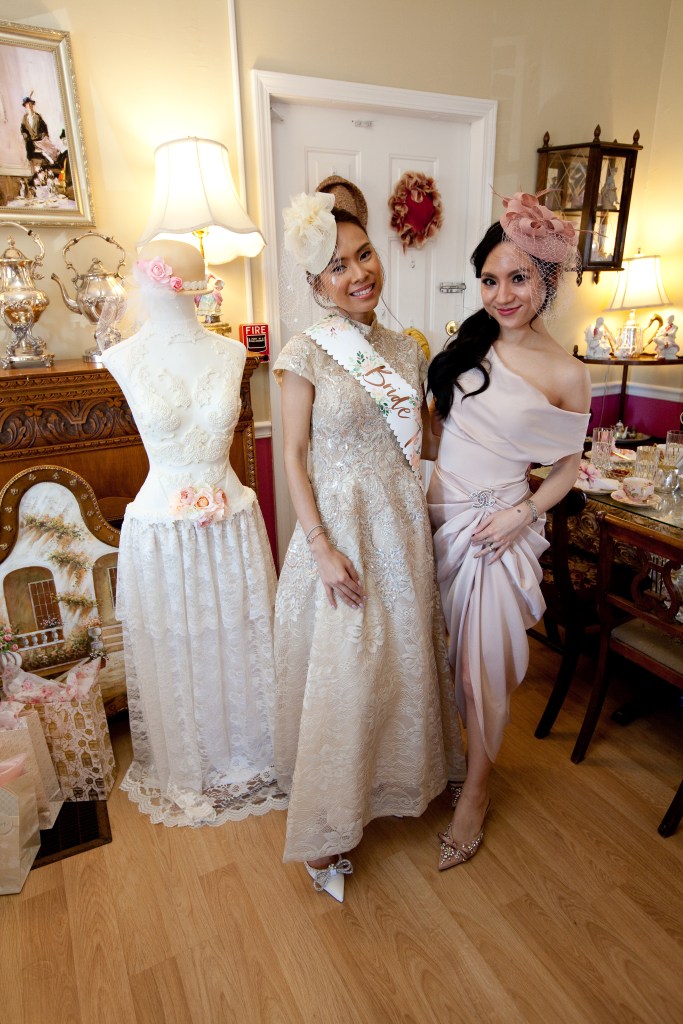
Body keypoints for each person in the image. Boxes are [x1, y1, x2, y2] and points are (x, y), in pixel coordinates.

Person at [273, 176, 465, 902]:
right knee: (348, 669)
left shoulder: (406, 350)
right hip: (340, 532)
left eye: (363, 255)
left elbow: (422, 443)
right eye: (338, 266)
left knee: (400, 660)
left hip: (399, 526)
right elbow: (293, 457)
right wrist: (320, 546)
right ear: (316, 282)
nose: (358, 273)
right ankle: (330, 821)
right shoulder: (305, 352)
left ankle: (404, 777)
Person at [427, 191, 591, 870]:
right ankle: (441, 760)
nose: (502, 295)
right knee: (434, 654)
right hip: (437, 515)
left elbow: (567, 468)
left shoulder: (567, 373)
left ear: (547, 279)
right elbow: (438, 431)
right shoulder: (468, 344)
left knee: (482, 669)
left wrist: (522, 513)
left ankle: (477, 792)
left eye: (518, 278)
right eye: (490, 280)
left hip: (497, 530)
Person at [99, 240, 282, 827]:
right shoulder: (124, 356)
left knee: (238, 634)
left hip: (230, 524)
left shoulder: (231, 351)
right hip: (163, 531)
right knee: (180, 643)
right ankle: (191, 763)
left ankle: (251, 748)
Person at [20, 95, 60, 170]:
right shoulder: (25, 118)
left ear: (32, 105)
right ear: (25, 107)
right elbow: (23, 129)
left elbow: (44, 127)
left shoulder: (37, 116)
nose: (29, 107)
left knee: (51, 150)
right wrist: (26, 136)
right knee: (31, 154)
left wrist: (44, 136)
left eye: (30, 104)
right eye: (27, 105)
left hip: (40, 139)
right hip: (30, 141)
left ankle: (53, 163)